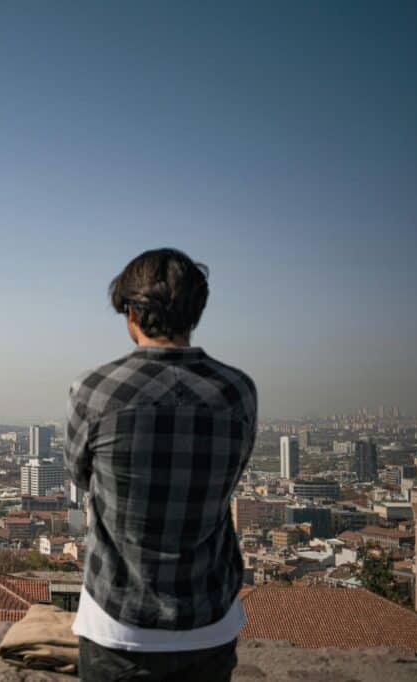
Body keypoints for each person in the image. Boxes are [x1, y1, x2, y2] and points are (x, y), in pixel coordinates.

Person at [65, 248, 257, 681]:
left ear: (132, 313)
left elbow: (82, 476)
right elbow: (231, 475)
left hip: (118, 622)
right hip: (209, 617)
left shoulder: (95, 391)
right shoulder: (237, 391)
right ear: (195, 313)